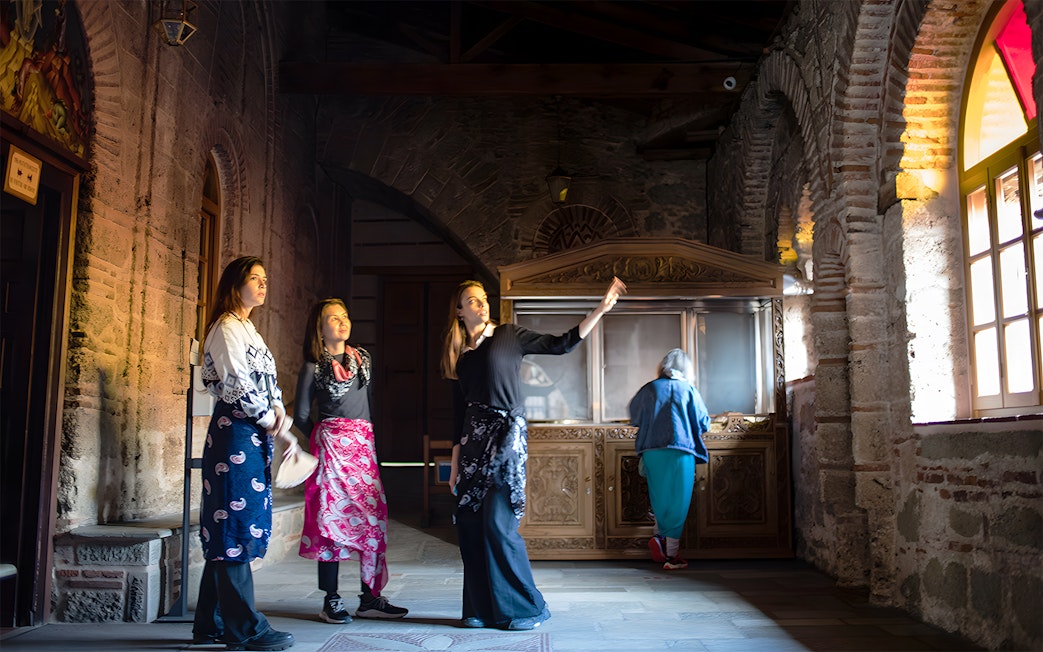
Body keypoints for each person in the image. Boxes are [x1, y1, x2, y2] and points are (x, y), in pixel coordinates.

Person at [441, 276, 627, 631]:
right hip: (472, 447)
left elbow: (561, 344)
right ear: (459, 310)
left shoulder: (508, 335)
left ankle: (526, 608)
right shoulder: (461, 359)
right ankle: (479, 608)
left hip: (506, 440)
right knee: (469, 525)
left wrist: (600, 309)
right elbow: (457, 419)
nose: (480, 304)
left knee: (498, 523)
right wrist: (454, 466)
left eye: (483, 299)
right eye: (472, 300)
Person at [193, 256, 296, 652]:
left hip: (252, 433)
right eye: (255, 278)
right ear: (235, 285)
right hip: (234, 433)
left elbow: (267, 380)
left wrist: (279, 412)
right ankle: (245, 629)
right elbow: (237, 382)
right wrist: (269, 416)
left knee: (232, 521)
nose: (263, 284)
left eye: (265, 278)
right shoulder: (225, 328)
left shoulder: (249, 328)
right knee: (233, 523)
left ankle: (210, 622)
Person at [293, 298, 408, 624]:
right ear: (320, 327)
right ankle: (331, 599)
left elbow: (366, 403)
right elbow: (301, 415)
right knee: (330, 524)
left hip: (362, 449)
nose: (342, 322)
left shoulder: (363, 358)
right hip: (331, 450)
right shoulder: (313, 366)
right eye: (333, 318)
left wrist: (360, 438)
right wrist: (326, 436)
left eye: (344, 316)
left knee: (372, 521)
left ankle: (369, 597)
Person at [627, 348, 711, 571]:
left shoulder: (650, 388)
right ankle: (671, 556)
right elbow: (704, 422)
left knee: (659, 497)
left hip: (652, 450)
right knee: (678, 501)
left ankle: (659, 539)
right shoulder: (689, 390)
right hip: (681, 450)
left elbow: (634, 415)